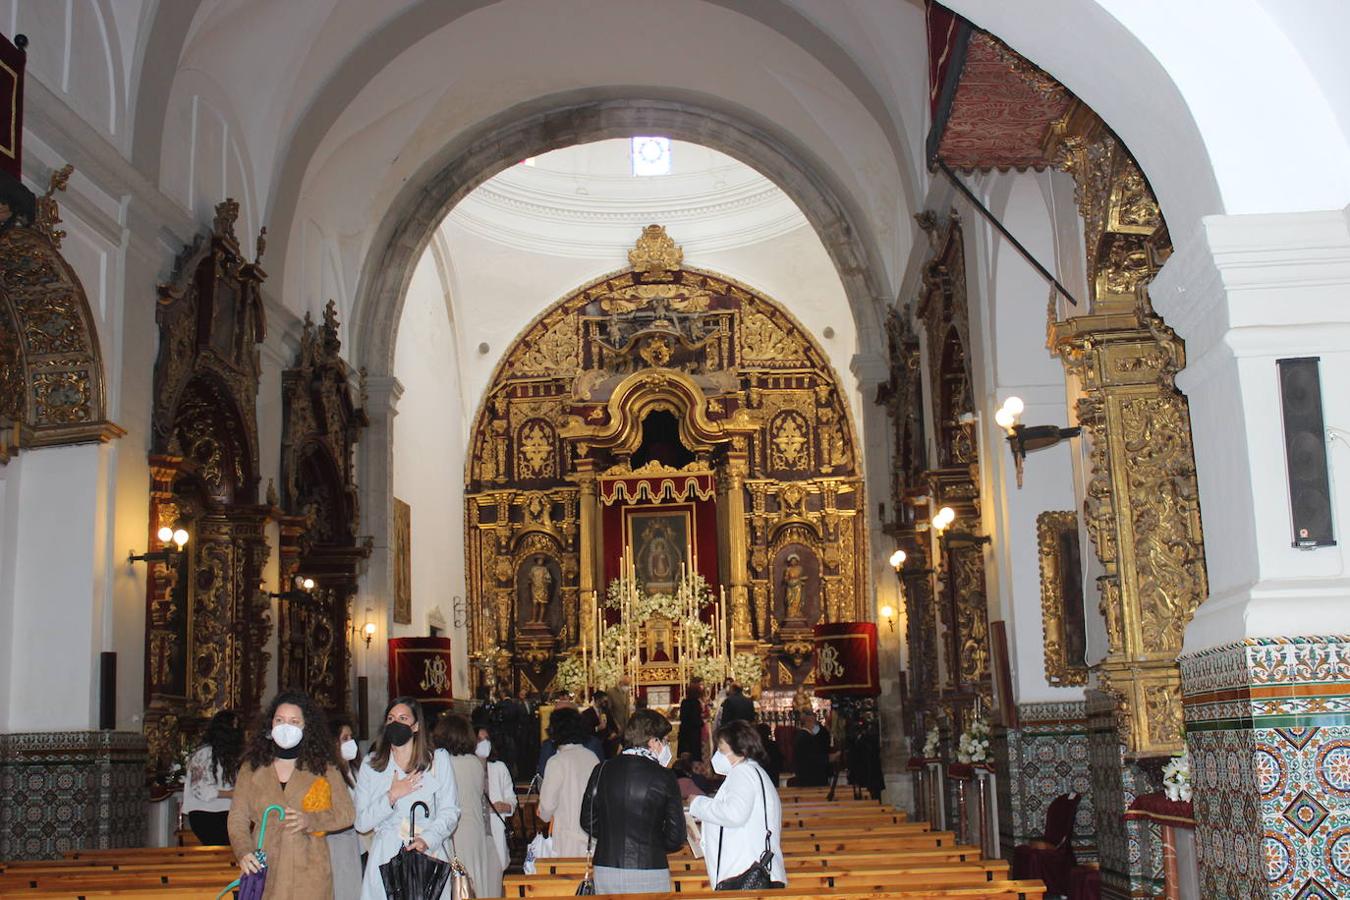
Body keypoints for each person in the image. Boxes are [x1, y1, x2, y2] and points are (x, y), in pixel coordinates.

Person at [227, 691, 355, 899]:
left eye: (294, 721)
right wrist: (244, 851)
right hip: (266, 865)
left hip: (309, 868)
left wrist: (311, 821)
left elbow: (347, 813)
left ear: (306, 727)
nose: (286, 727)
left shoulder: (324, 767)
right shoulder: (252, 767)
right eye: (280, 720)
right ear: (271, 725)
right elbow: (237, 817)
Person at [355, 697, 460, 900]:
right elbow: (361, 822)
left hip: (429, 854)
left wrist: (427, 840)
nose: (396, 723)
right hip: (386, 856)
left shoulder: (437, 760)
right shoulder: (371, 764)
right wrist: (391, 796)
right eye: (391, 718)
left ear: (416, 726)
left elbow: (450, 811)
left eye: (403, 718)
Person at [580, 709, 685, 894]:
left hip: (607, 864)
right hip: (650, 865)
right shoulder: (664, 776)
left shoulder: (602, 769)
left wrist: (610, 837)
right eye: (665, 740)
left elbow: (587, 821)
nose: (667, 746)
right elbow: (675, 836)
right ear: (653, 741)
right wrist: (653, 843)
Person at [688, 720, 787, 889]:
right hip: (753, 868)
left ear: (739, 749)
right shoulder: (752, 771)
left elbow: (734, 814)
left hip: (745, 871)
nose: (717, 755)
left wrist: (698, 804)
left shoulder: (743, 772)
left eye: (721, 749)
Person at [434, 714, 504, 898]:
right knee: (475, 883)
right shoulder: (475, 763)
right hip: (475, 830)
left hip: (455, 832)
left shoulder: (443, 763)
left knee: (456, 886)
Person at [537, 708, 600, 857]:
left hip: (568, 841)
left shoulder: (556, 762)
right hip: (593, 839)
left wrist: (543, 813)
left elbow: (546, 807)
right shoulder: (592, 757)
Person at [182, 710, 242, 845]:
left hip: (227, 812)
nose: (237, 731)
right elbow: (201, 789)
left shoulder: (230, 756)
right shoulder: (204, 754)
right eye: (233, 726)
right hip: (205, 813)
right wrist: (231, 794)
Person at [327, 717, 363, 900]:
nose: (350, 742)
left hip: (358, 841)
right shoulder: (330, 773)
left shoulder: (357, 770)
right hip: (338, 840)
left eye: (351, 737)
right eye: (345, 738)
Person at [478, 725, 517, 869]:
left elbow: (511, 800)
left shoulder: (499, 768)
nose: (484, 743)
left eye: (486, 739)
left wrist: (504, 806)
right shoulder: (464, 770)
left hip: (495, 832)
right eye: (479, 739)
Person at [787, 710, 832, 787]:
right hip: (811, 780)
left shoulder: (803, 736)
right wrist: (830, 758)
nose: (816, 725)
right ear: (808, 721)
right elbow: (813, 758)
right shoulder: (805, 737)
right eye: (815, 722)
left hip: (808, 778)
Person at [677, 678, 704, 762]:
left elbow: (682, 717)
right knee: (694, 755)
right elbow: (696, 720)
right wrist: (702, 723)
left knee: (685, 755)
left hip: (684, 731)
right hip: (694, 733)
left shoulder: (684, 702)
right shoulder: (696, 703)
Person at [755, 722, 783, 787]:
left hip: (760, 776)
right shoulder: (773, 745)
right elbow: (779, 761)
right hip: (773, 776)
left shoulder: (756, 747)